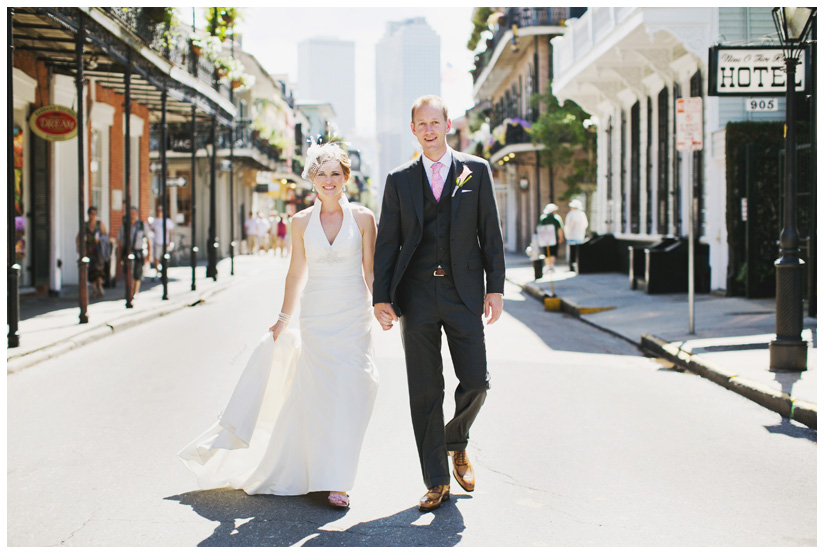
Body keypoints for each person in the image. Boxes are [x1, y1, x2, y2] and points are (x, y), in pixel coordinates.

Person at [179, 142, 379, 509]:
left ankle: (336, 473)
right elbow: (296, 273)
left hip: (354, 318)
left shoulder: (364, 218)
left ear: (346, 177)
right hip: (317, 318)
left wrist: (382, 305)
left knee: (355, 392)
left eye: (336, 173)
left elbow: (370, 270)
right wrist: (283, 319)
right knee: (319, 396)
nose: (329, 180)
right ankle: (331, 479)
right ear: (312, 180)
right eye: (322, 174)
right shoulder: (301, 221)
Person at [373, 95, 505, 512]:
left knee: (478, 381)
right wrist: (382, 297)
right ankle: (436, 480)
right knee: (425, 391)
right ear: (413, 129)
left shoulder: (475, 171)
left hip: (463, 292)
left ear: (448, 124)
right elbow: (387, 243)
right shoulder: (399, 179)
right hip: (415, 296)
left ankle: (456, 440)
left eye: (435, 122)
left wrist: (495, 287)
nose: (429, 130)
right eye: (421, 124)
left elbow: (491, 234)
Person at [76, 206, 108, 299]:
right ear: (88, 214)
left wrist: (100, 240)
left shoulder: (99, 224)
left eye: (94, 214)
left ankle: (100, 287)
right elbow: (78, 237)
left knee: (99, 270)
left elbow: (106, 236)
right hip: (88, 250)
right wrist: (79, 246)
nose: (92, 216)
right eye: (91, 214)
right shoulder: (85, 225)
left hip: (98, 250)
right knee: (90, 271)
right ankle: (94, 289)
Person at [118, 206, 149, 297]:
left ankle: (135, 292)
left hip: (138, 252)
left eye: (133, 214)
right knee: (128, 273)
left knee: (137, 273)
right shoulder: (124, 226)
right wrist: (120, 255)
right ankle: (130, 292)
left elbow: (148, 239)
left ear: (137, 214)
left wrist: (149, 255)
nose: (131, 216)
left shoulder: (142, 225)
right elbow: (120, 241)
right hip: (128, 252)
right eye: (130, 214)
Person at [536, 203, 563, 272]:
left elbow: (539, 228)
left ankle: (548, 265)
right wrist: (561, 237)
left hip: (544, 238)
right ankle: (551, 265)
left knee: (546, 252)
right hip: (554, 238)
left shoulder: (543, 218)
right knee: (553, 252)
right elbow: (559, 229)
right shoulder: (556, 218)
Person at [150, 204, 174, 279]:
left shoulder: (167, 221)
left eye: (161, 210)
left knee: (165, 259)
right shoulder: (155, 221)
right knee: (156, 259)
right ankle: (158, 273)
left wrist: (170, 241)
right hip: (157, 242)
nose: (159, 212)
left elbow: (170, 232)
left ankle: (164, 273)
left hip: (165, 243)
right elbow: (151, 230)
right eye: (158, 210)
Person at [564, 199, 588, 267]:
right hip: (579, 236)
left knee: (572, 252)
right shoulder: (582, 214)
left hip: (571, 236)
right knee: (579, 251)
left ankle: (571, 265)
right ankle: (578, 265)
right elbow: (585, 224)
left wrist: (567, 233)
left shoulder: (570, 214)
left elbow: (568, 226)